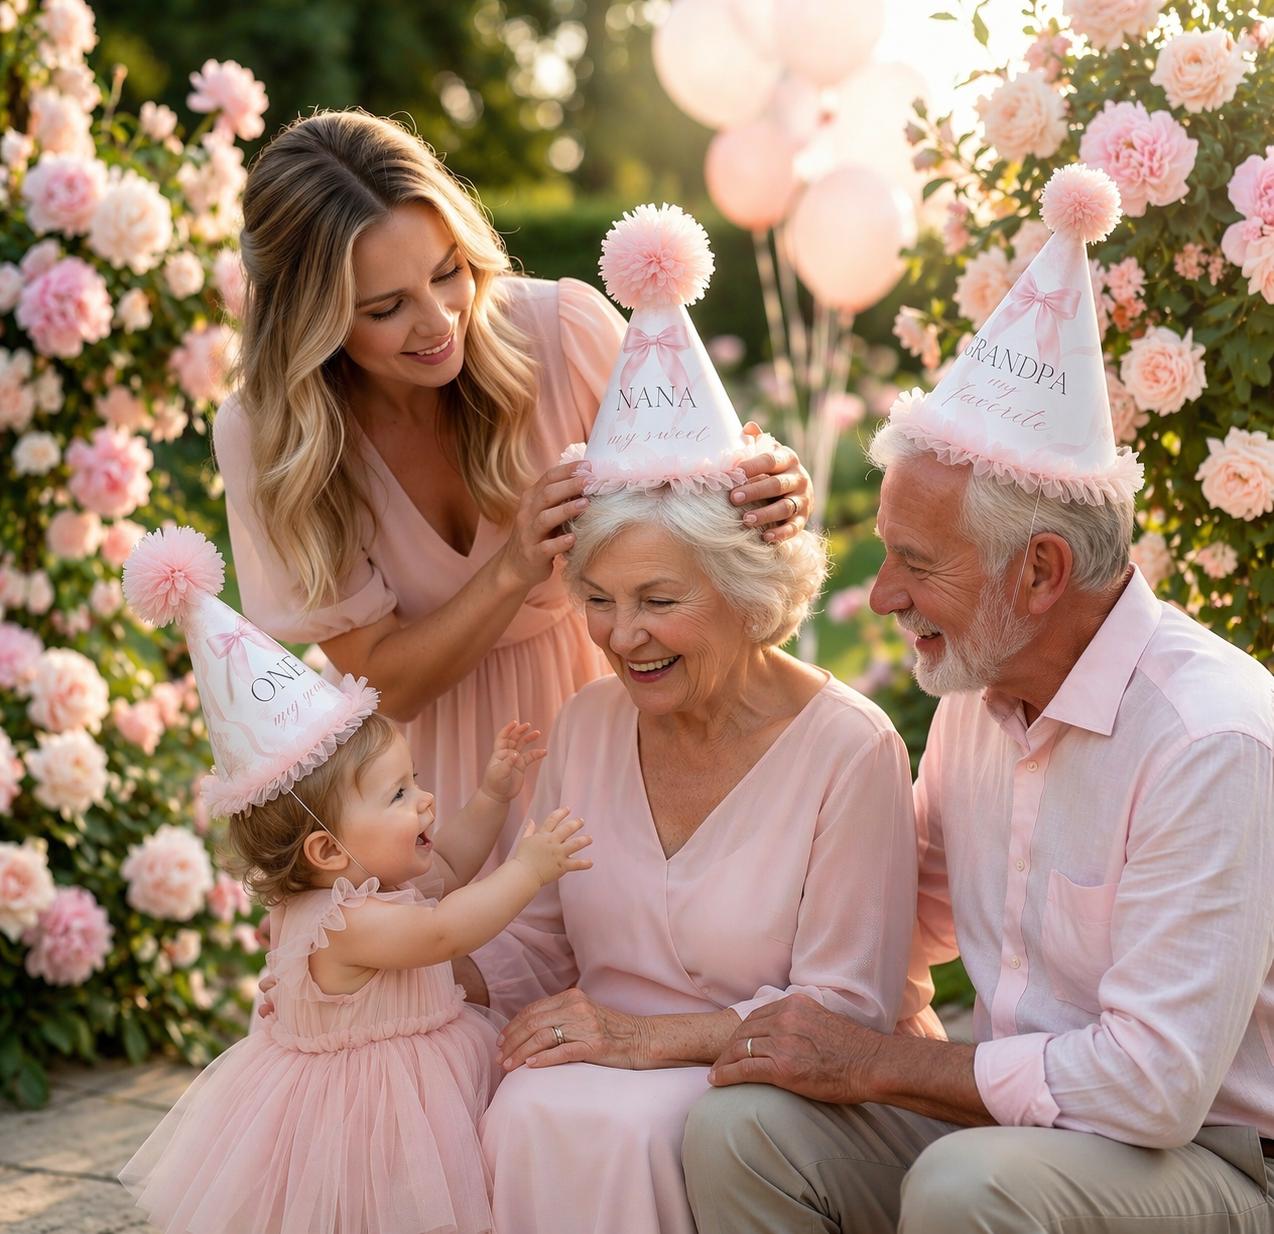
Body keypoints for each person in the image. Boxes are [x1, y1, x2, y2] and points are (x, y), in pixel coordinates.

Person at [682, 166, 1274, 1234]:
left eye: (916, 562)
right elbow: (892, 918)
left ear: (1039, 572)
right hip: (1021, 1129)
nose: (882, 595)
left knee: (963, 1187)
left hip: (1213, 1158)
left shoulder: (1210, 737)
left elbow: (1151, 1087)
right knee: (741, 1129)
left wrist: (878, 1062)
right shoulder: (979, 693)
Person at [467, 205, 940, 1234]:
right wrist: (394, 958)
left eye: (657, 600)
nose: (619, 634)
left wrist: (643, 1041)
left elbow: (842, 1014)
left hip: (783, 1102)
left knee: (638, 1123)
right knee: (522, 1099)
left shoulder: (847, 747)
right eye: (596, 597)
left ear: (742, 586)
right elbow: (534, 947)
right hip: (593, 1074)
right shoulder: (585, 726)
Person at [212, 110, 811, 878]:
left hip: (614, 712)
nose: (438, 324)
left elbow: (703, 529)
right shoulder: (269, 434)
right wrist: (511, 567)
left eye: (446, 271)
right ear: (311, 322)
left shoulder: (563, 331)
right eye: (385, 308)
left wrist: (765, 495)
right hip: (427, 780)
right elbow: (385, 681)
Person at [116, 527, 593, 1234]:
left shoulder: (358, 889)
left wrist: (493, 796)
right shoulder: (352, 924)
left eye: (416, 782)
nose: (425, 802)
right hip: (378, 1117)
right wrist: (528, 868)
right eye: (400, 796)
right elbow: (442, 930)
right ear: (328, 849)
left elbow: (454, 867)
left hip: (407, 1083)